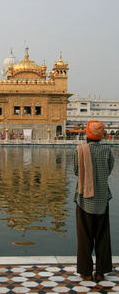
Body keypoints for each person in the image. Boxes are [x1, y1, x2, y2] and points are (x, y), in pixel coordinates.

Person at [73, 120, 114, 282]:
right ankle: (101, 272)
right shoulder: (107, 150)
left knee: (84, 236)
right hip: (102, 197)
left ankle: (86, 272)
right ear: (101, 135)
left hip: (84, 197)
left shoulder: (80, 150)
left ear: (87, 135)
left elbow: (76, 172)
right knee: (103, 236)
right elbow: (109, 170)